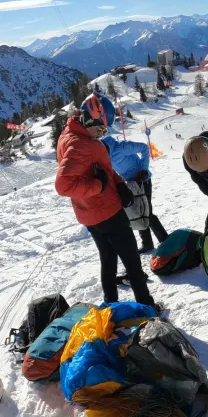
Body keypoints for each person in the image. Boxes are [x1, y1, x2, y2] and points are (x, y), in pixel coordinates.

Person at [55, 93, 155, 307]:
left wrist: (117, 183)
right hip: (107, 211)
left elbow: (101, 169)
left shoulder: (69, 134)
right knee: (131, 259)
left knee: (108, 258)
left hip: (89, 214)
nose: (102, 134)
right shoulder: (81, 145)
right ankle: (147, 306)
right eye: (101, 129)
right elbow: (63, 186)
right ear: (89, 120)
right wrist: (99, 186)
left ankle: (110, 305)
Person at [101, 135, 168, 252]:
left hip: (143, 180)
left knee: (147, 212)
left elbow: (144, 148)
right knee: (138, 212)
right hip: (131, 184)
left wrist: (144, 170)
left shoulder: (121, 147)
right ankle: (147, 243)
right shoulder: (105, 156)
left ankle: (165, 240)